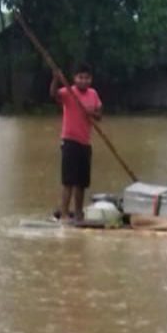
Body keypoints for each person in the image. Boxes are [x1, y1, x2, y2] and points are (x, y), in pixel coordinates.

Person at [51, 63, 102, 223]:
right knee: (69, 182)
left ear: (90, 79)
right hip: (70, 142)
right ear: (75, 79)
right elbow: (53, 95)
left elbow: (99, 115)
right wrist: (55, 79)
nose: (83, 81)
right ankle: (65, 214)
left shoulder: (93, 94)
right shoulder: (68, 92)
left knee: (82, 183)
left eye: (86, 78)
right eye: (80, 77)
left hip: (85, 143)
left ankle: (79, 213)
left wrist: (91, 113)